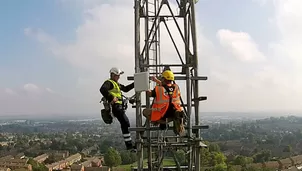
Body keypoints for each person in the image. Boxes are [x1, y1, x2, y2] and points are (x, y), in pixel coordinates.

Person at [100, 67, 136, 151]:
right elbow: (102, 89)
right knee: (125, 122)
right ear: (112, 75)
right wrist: (111, 97)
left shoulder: (116, 84)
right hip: (115, 107)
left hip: (119, 107)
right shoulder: (109, 83)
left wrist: (136, 83)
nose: (119, 77)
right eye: (117, 75)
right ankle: (129, 146)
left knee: (125, 123)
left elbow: (126, 89)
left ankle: (129, 145)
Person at [144, 70, 185, 135]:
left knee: (145, 112)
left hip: (163, 112)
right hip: (174, 111)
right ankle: (175, 118)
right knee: (175, 113)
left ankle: (161, 122)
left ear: (163, 79)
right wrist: (156, 80)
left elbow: (150, 94)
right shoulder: (176, 87)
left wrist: (145, 87)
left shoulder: (158, 88)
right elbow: (167, 87)